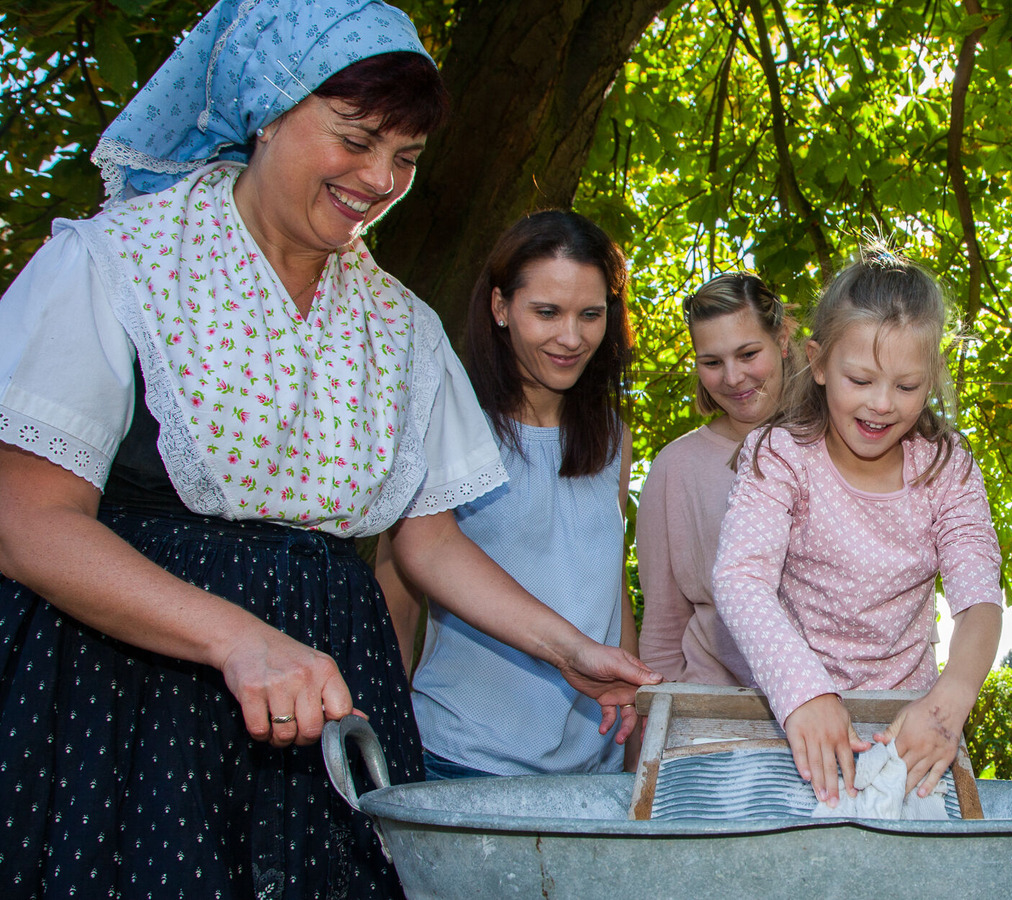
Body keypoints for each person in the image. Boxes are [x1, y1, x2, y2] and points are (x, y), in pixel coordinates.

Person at [0, 2, 656, 896]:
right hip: (133, 688)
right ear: (266, 113)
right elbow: (27, 521)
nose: (380, 179)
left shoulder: (401, 326)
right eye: (356, 139)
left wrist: (566, 649)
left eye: (406, 158)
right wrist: (238, 639)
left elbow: (429, 541)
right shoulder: (117, 265)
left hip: (335, 692)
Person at [712, 247, 1005, 807]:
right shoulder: (780, 456)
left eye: (907, 385)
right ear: (819, 363)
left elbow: (978, 601)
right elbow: (740, 579)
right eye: (861, 379)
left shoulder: (948, 468)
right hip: (797, 719)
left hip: (911, 731)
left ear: (932, 378)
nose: (882, 404)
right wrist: (805, 695)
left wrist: (947, 705)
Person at [377, 210, 640, 778]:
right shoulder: (443, 424)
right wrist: (385, 738)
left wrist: (633, 735)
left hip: (595, 767)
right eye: (547, 312)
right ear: (500, 306)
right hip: (462, 760)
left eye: (590, 314)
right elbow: (397, 591)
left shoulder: (612, 436)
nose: (571, 337)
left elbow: (608, 583)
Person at [635, 273, 794, 685]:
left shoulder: (842, 442)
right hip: (711, 705)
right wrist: (662, 711)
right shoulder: (674, 467)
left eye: (748, 354)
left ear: (782, 340)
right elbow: (663, 626)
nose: (733, 377)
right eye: (712, 362)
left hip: (842, 702)